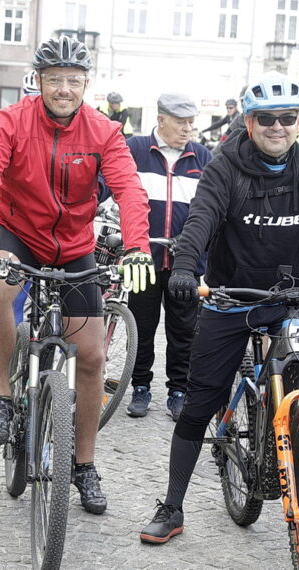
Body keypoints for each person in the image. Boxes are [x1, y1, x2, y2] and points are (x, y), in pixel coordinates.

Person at [137, 74, 299, 544]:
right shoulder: (225, 167)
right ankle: (173, 505)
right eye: (267, 119)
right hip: (229, 299)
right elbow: (200, 219)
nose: (277, 127)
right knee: (199, 402)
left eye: (288, 118)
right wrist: (183, 270)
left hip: (288, 299)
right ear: (249, 121)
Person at [0, 36, 154, 515]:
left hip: (75, 246)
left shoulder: (104, 131)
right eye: (54, 80)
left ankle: (83, 464)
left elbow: (130, 190)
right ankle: (2, 398)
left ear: (86, 84)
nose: (64, 89)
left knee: (90, 356)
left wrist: (136, 247)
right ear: (39, 81)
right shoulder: (11, 121)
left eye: (73, 80)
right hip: (15, 230)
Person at [105, 93, 211, 421]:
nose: (188, 128)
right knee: (143, 325)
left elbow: (212, 208)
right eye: (181, 122)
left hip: (185, 260)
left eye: (192, 122)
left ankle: (179, 390)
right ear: (161, 119)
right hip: (143, 256)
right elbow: (107, 188)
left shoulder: (203, 156)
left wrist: (200, 245)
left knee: (184, 329)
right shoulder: (135, 150)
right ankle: (140, 387)